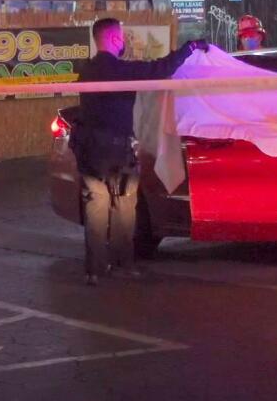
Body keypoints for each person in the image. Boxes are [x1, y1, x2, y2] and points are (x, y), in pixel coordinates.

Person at [73, 19, 209, 285]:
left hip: (90, 151)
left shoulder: (86, 70)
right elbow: (161, 69)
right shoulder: (119, 70)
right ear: (113, 39)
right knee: (124, 208)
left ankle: (95, 270)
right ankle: (124, 264)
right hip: (117, 150)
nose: (125, 41)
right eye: (122, 36)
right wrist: (189, 48)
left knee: (96, 210)